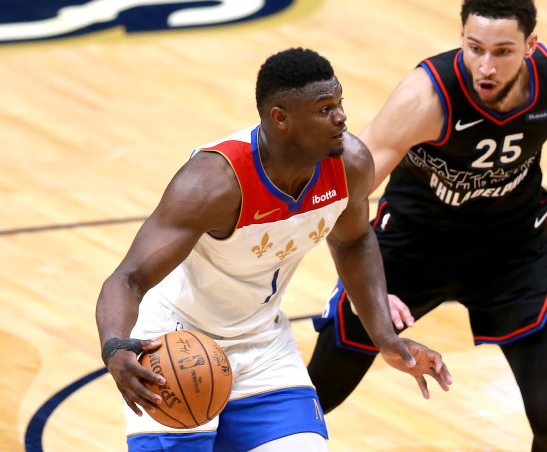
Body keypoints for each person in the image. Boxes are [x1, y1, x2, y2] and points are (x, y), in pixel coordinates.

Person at [308, 0, 547, 451]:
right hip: (409, 250)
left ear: (532, 47)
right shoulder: (426, 98)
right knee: (319, 394)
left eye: (503, 51)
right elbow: (347, 191)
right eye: (474, 48)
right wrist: (362, 283)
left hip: (511, 251)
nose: (485, 67)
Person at [95, 47, 452, 452]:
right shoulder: (213, 183)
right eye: (324, 109)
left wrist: (385, 338)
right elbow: (128, 279)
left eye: (339, 103)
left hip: (263, 344)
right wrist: (115, 348)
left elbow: (354, 241)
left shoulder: (349, 164)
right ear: (280, 118)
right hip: (175, 346)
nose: (341, 118)